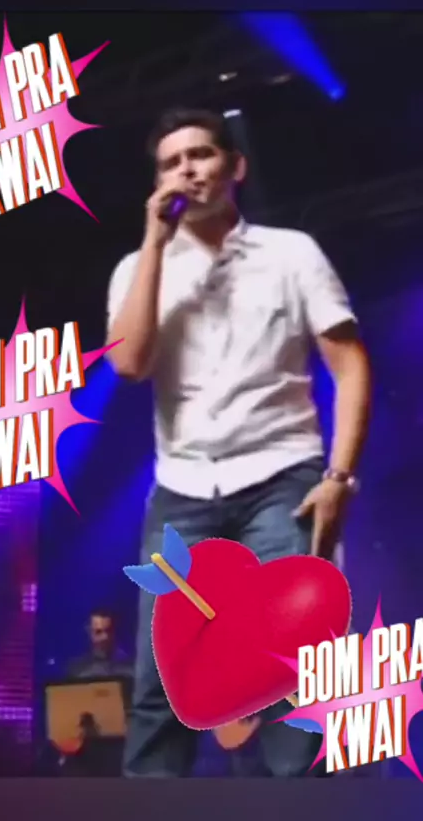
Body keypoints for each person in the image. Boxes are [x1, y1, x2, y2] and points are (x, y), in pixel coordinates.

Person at [105, 107, 371, 778]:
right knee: (163, 682)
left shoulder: (291, 253)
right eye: (170, 164)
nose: (186, 171)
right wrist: (155, 244)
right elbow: (129, 364)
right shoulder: (138, 267)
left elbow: (349, 364)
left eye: (200, 155)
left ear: (235, 166)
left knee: (293, 669)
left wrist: (339, 478)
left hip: (283, 477)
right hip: (183, 489)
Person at [66, 609, 132, 680]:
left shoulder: (131, 668)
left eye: (109, 631)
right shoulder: (76, 670)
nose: (105, 637)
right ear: (89, 632)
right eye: (98, 632)